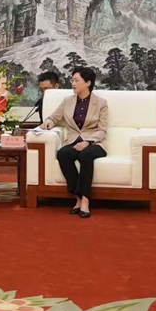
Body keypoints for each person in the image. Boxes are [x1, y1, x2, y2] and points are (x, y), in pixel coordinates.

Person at [41, 67, 108, 219]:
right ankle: (78, 196)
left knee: (85, 155)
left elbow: (102, 130)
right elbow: (53, 117)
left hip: (94, 144)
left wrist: (87, 142)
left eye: (76, 80)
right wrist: (49, 122)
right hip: (73, 141)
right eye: (72, 80)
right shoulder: (68, 101)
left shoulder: (101, 103)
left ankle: (84, 201)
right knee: (63, 153)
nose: (73, 83)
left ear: (88, 83)